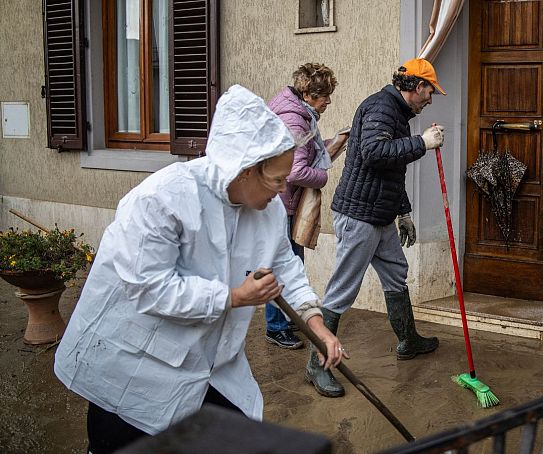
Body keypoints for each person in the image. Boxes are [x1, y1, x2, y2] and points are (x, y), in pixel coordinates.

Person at [53, 85, 347, 454]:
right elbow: (149, 288)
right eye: (276, 180)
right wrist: (233, 296)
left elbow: (285, 266)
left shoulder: (268, 209)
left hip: (208, 363)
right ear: (243, 170)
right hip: (134, 364)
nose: (283, 188)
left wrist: (315, 323)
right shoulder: (162, 199)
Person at [304, 58, 447, 398]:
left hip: (379, 214)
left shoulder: (397, 112)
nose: (431, 98)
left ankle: (408, 340)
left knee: (397, 273)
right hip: (359, 216)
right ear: (414, 85)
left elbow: (391, 170)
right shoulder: (382, 108)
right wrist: (423, 144)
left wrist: (403, 213)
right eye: (429, 91)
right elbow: (373, 152)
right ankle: (316, 362)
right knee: (343, 289)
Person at [265, 63, 348, 350]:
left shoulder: (298, 113)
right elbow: (295, 171)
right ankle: (276, 327)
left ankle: (285, 320)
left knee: (290, 262)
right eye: (325, 95)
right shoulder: (297, 120)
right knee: (287, 265)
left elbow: (306, 150)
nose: (328, 101)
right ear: (310, 94)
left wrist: (336, 141)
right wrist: (323, 177)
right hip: (282, 204)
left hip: (281, 202)